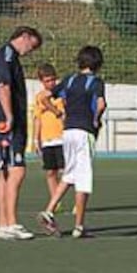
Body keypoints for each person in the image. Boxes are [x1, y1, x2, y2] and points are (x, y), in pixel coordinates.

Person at [37, 45, 106, 238]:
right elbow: (100, 104)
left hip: (67, 132)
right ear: (98, 64)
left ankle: (49, 210)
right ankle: (79, 227)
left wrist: (56, 111)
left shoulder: (69, 79)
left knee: (70, 174)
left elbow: (45, 98)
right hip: (84, 132)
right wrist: (96, 119)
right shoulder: (96, 82)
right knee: (83, 179)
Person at [0, 26, 43, 240]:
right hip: (7, 125)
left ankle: (4, 224)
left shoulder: (7, 56)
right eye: (32, 45)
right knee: (16, 170)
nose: (31, 50)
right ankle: (11, 222)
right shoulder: (7, 55)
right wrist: (9, 116)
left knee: (5, 174)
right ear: (24, 37)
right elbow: (3, 87)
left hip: (3, 124)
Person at [33, 63, 65, 213]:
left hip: (62, 137)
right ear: (41, 82)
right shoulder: (39, 97)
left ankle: (78, 201)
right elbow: (37, 119)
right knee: (50, 172)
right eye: (47, 81)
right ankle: (56, 200)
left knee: (66, 171)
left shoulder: (61, 95)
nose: (50, 83)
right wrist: (36, 139)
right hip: (47, 139)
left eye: (52, 80)